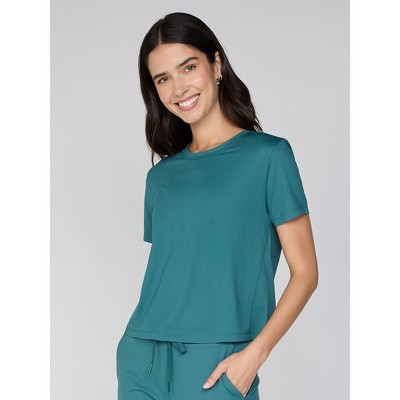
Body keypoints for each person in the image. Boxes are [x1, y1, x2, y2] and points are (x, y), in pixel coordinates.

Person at [116, 11, 318, 400]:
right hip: (142, 357)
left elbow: (306, 273)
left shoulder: (269, 157)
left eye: (188, 67)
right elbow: (178, 271)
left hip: (218, 363)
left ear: (217, 64)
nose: (179, 88)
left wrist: (253, 356)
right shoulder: (160, 178)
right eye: (163, 78)